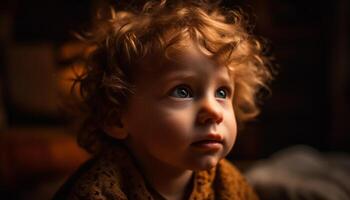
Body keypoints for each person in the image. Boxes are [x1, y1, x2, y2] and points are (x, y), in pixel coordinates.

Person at [54, 0, 272, 199]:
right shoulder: (97, 191)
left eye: (222, 93)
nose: (214, 111)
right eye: (182, 92)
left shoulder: (227, 181)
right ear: (116, 119)